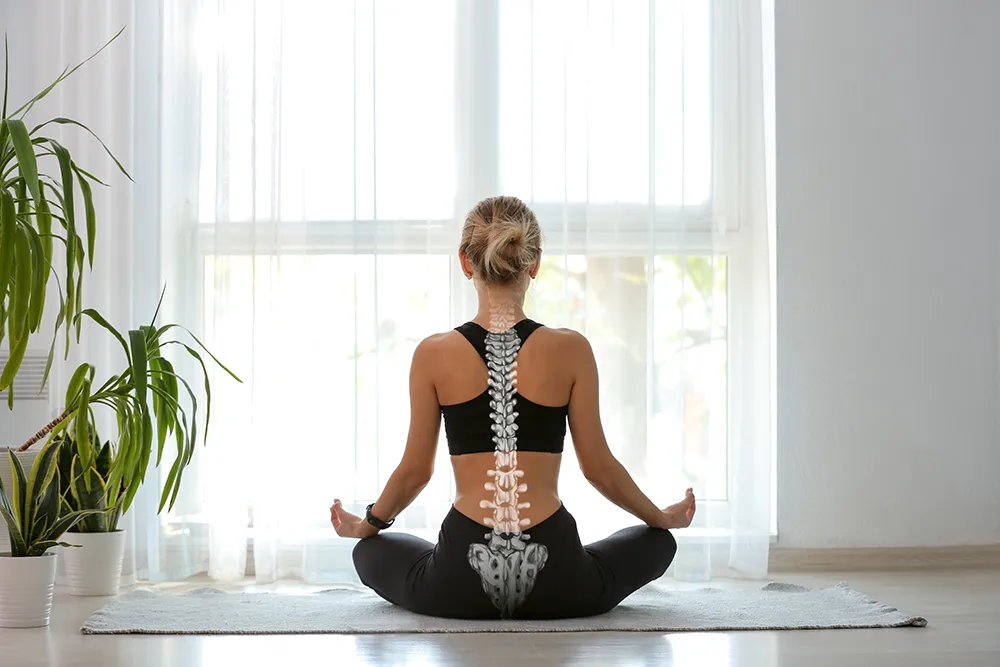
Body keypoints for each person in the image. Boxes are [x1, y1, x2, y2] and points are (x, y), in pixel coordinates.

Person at [330, 195, 696, 620]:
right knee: (658, 543)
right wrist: (658, 516)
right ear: (535, 262)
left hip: (457, 582)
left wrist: (367, 524)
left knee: (369, 552)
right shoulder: (571, 349)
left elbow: (416, 472)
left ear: (466, 263)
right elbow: (598, 467)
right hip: (559, 578)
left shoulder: (433, 354)